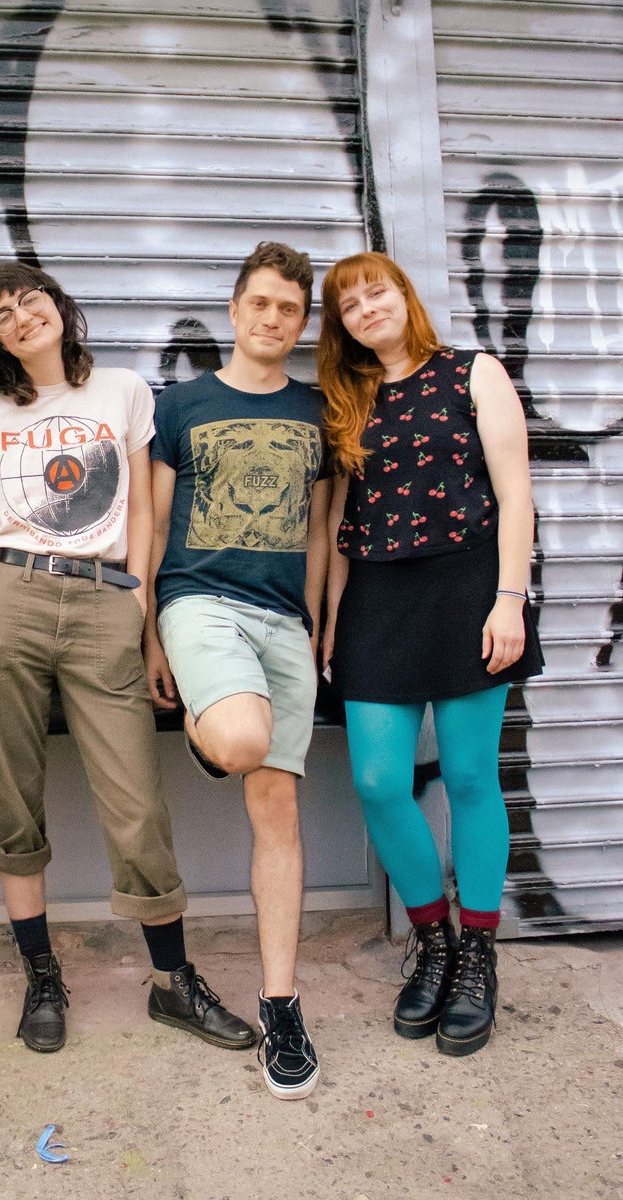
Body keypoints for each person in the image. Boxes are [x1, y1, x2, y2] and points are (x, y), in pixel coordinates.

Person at [0, 262, 254, 1058]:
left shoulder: (122, 390)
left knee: (135, 800)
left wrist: (138, 606)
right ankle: (42, 974)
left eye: (30, 300)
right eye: (3, 314)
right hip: (11, 597)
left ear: (58, 305)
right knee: (11, 792)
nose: (21, 317)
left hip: (104, 602)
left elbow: (149, 513)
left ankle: (172, 981)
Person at [318, 251, 544, 1057]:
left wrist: (510, 599)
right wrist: (333, 617)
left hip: (469, 591)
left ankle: (478, 955)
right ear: (340, 325)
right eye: (349, 303)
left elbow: (516, 491)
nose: (366, 308)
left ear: (404, 297)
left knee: (473, 777)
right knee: (378, 781)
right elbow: (343, 517)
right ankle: (434, 940)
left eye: (376, 292)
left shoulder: (474, 372)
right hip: (378, 599)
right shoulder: (348, 400)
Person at [144, 242, 331, 1100]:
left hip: (284, 620)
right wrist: (151, 636)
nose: (271, 320)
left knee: (278, 807)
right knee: (244, 739)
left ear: (301, 322)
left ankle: (281, 1001)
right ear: (235, 309)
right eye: (259, 303)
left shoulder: (319, 410)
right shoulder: (179, 406)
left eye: (288, 309)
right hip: (200, 602)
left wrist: (319, 626)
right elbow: (151, 529)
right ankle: (210, 735)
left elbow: (322, 530)